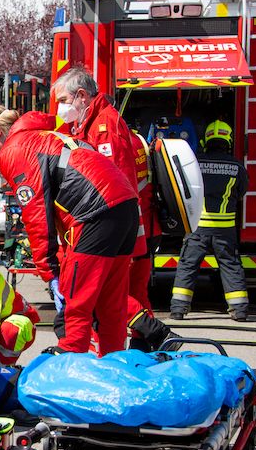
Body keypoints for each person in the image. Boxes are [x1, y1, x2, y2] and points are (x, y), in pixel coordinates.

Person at [0, 104, 138, 355]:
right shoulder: (44, 136)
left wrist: (49, 272)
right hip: (124, 204)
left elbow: (36, 214)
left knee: (76, 300)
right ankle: (114, 362)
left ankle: (69, 361)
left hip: (94, 211)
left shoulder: (14, 149)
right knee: (111, 303)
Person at [53, 66, 175, 351]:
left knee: (105, 295)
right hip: (126, 226)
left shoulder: (104, 126)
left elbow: (113, 185)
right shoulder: (92, 123)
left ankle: (154, 335)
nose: (60, 108)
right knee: (122, 296)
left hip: (114, 226)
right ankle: (141, 348)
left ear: (81, 96)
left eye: (63, 100)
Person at [170, 120, 249, 321]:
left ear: (207, 140)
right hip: (225, 229)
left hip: (197, 227)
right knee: (231, 266)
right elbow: (241, 193)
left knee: (188, 265)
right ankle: (239, 310)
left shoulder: (196, 163)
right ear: (228, 140)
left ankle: (178, 309)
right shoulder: (237, 166)